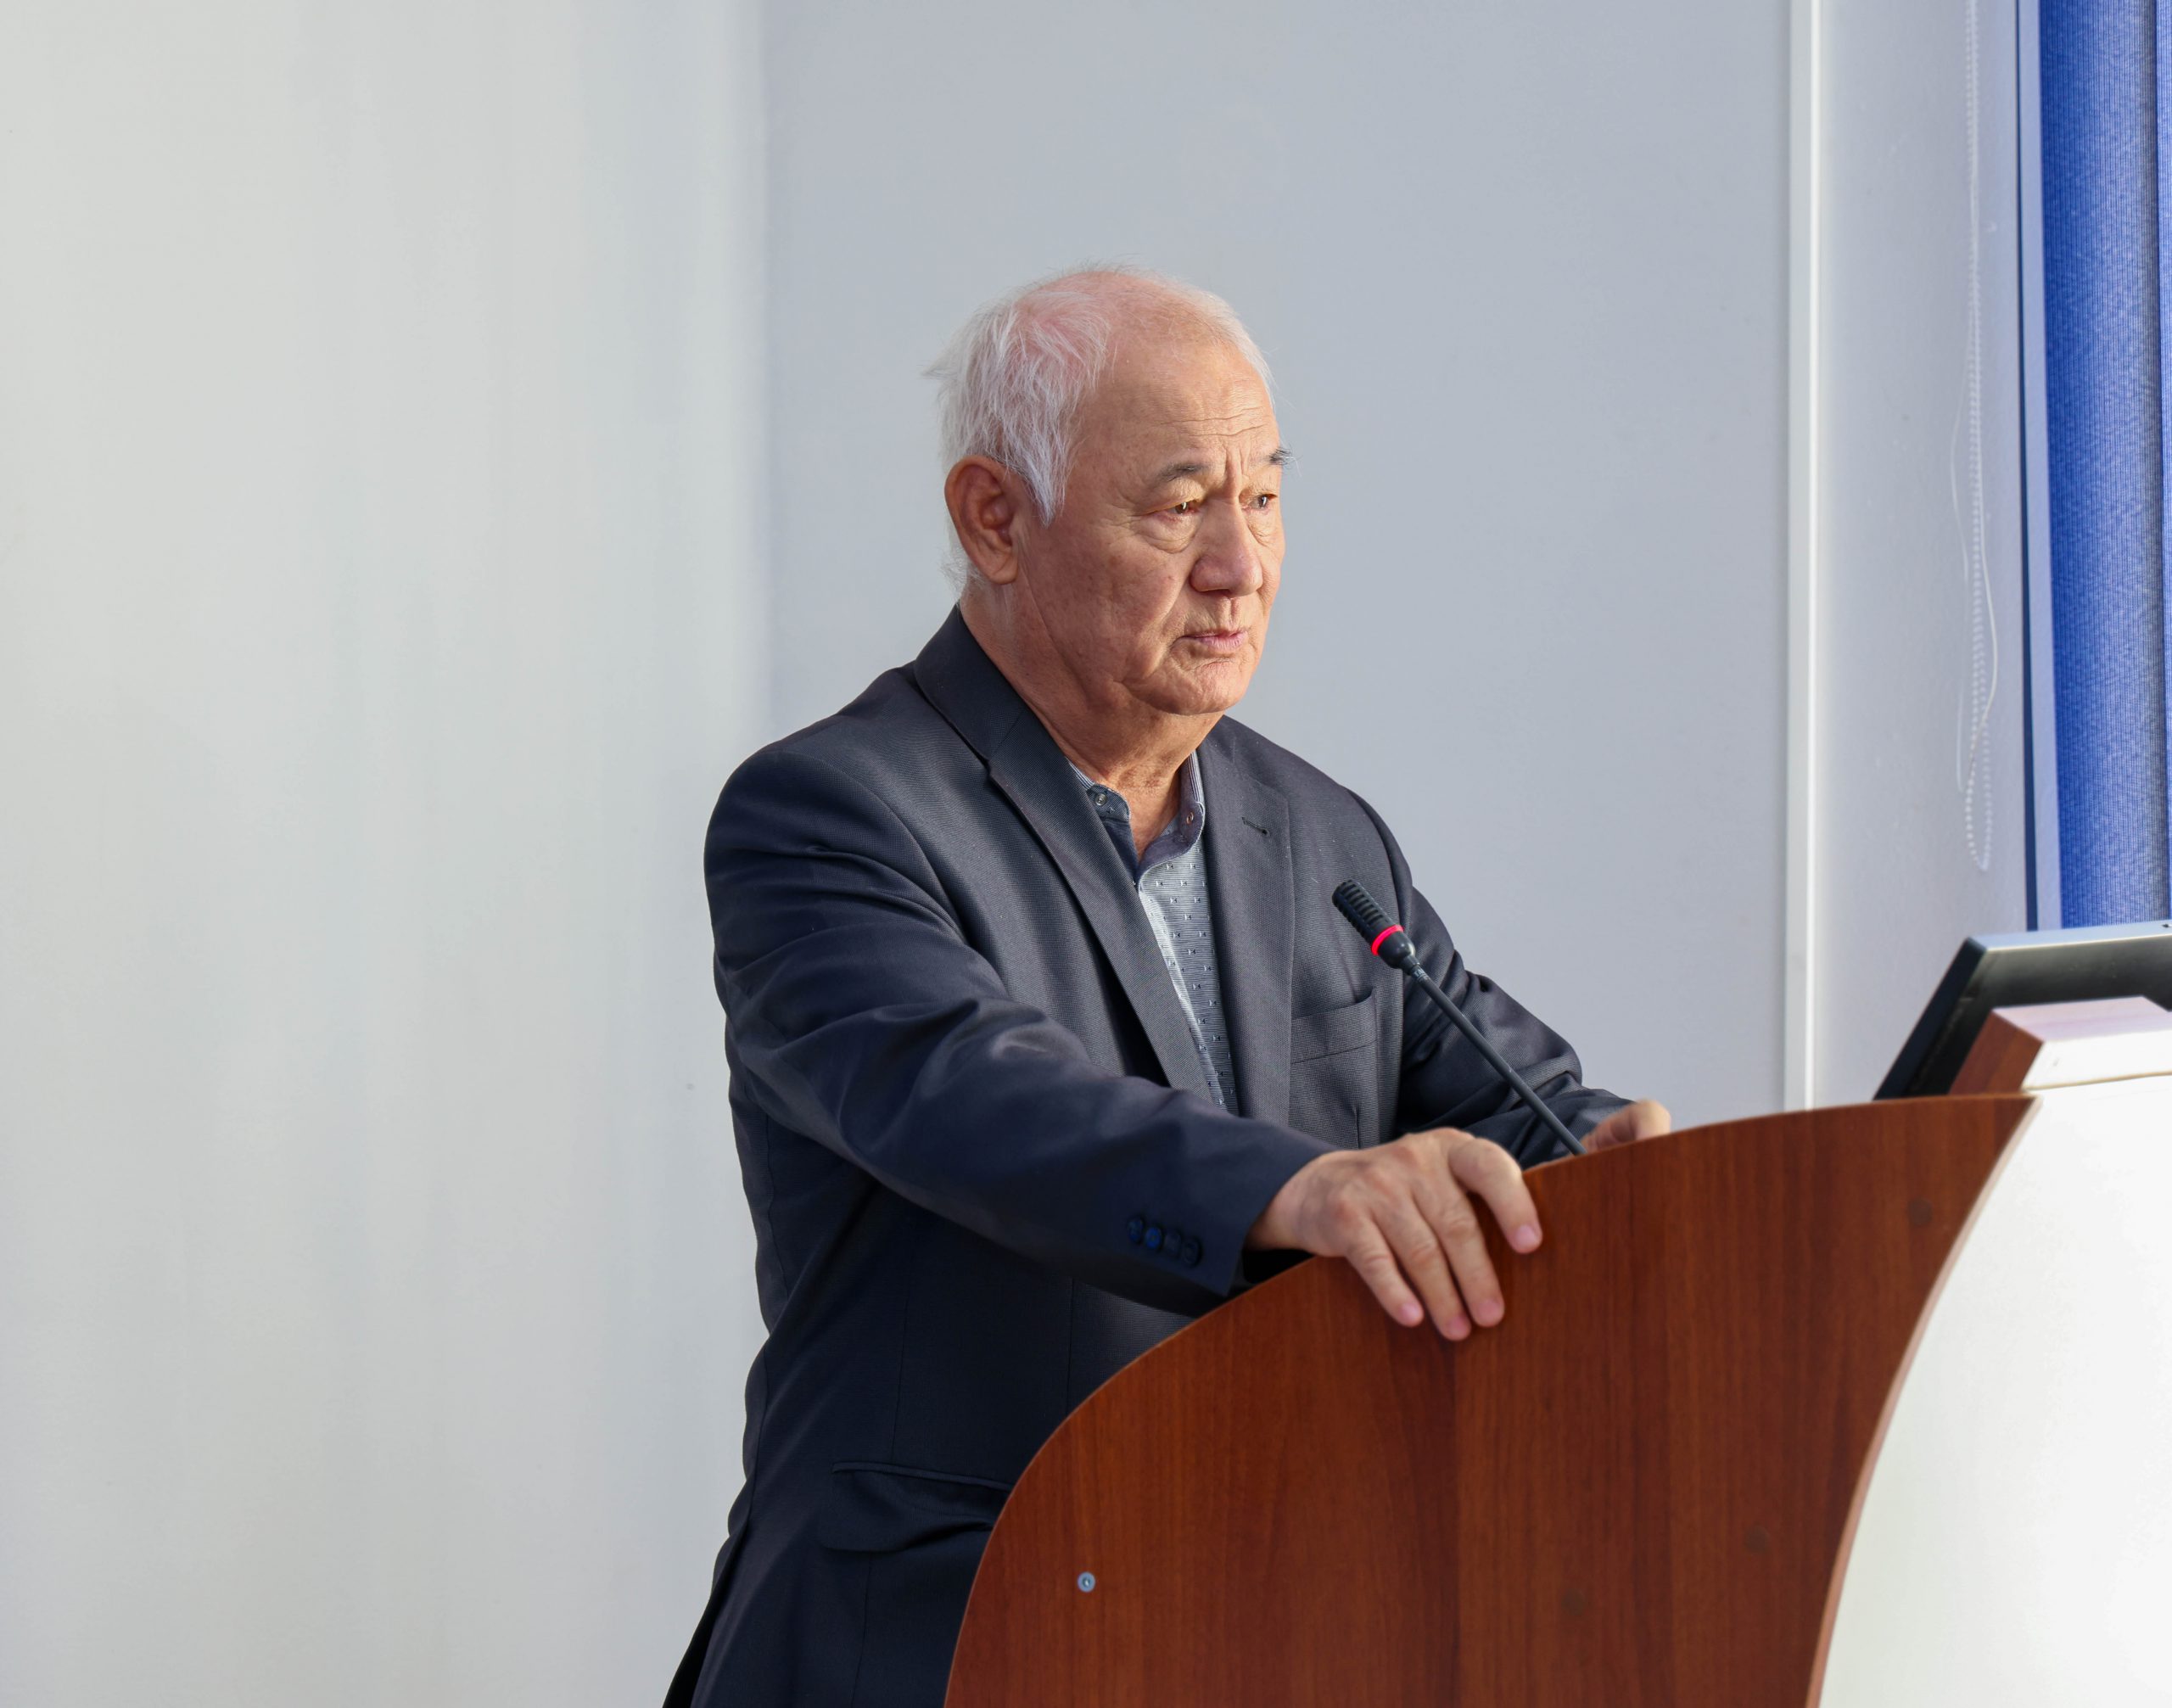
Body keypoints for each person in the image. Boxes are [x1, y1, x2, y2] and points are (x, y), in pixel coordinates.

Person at [664, 266, 1669, 1707]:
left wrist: (1621, 1180)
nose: (1240, 564)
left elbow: (1508, 1101)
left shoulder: (1322, 834)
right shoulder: (829, 813)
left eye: (1263, 497)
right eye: (1181, 502)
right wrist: (1301, 1188)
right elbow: (982, 1097)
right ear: (995, 519)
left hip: (1251, 1624)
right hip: (934, 1635)